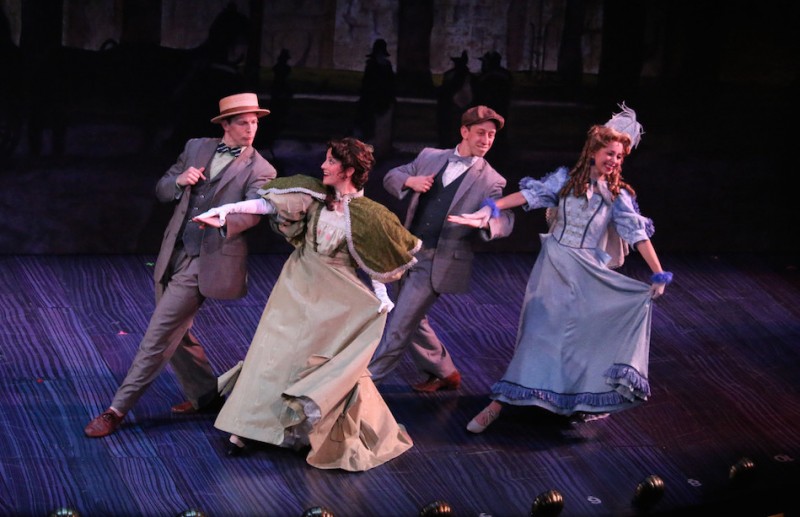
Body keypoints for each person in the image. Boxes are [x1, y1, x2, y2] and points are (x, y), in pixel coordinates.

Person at [193, 138, 421, 471]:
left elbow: (374, 260)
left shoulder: (370, 215)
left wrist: (382, 296)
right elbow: (268, 206)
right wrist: (227, 210)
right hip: (297, 284)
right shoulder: (314, 195)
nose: (323, 166)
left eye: (331, 162)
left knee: (314, 363)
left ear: (348, 170)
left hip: (337, 297)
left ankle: (301, 432)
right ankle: (248, 428)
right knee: (272, 354)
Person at [447, 104, 672, 433]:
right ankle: (499, 403)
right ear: (594, 151)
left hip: (589, 273)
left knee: (577, 339)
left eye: (620, 157)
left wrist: (658, 272)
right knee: (539, 332)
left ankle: (572, 401)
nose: (613, 161)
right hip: (555, 265)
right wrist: (492, 206)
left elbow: (637, 235)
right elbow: (528, 195)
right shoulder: (565, 182)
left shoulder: (617, 195)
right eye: (609, 153)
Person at [84, 93, 277, 437]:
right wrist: (179, 181)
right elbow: (161, 189)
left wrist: (226, 219)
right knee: (178, 333)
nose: (251, 129)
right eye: (244, 122)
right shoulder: (196, 148)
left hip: (208, 259)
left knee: (158, 335)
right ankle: (206, 395)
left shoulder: (260, 168)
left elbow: (256, 209)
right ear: (226, 125)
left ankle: (117, 410)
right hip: (173, 251)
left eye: (255, 122)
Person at [368, 105, 515, 392]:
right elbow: (391, 175)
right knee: (413, 317)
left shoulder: (491, 180)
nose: (486, 140)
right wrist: (410, 181)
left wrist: (486, 219)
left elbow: (505, 217)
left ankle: (364, 384)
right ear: (464, 131)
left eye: (491, 136)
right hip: (407, 252)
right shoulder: (430, 157)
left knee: (399, 324)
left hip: (439, 260)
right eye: (481, 133)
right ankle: (445, 371)